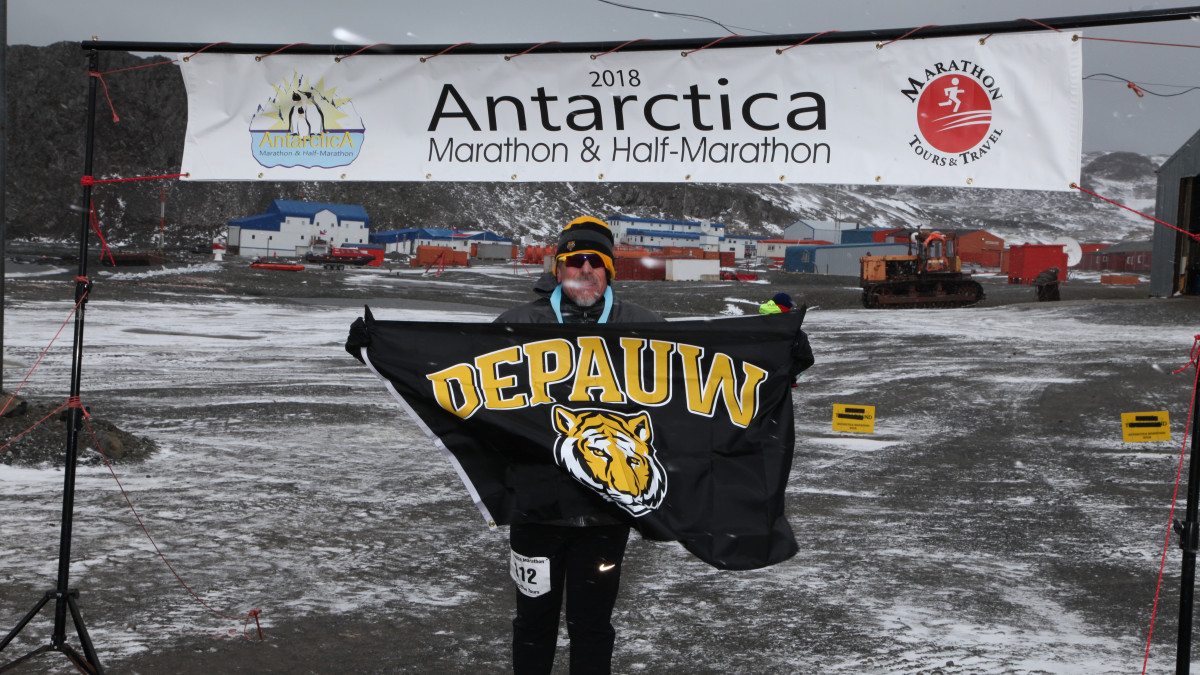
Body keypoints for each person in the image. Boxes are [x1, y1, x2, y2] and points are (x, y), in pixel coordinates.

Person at [494, 216, 663, 675]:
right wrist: (380, 350)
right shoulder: (516, 324)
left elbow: (706, 383)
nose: (584, 269)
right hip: (534, 510)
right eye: (574, 260)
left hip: (606, 516)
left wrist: (784, 359)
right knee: (533, 622)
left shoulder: (645, 326)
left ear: (609, 270)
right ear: (558, 267)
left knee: (592, 624)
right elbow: (451, 388)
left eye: (596, 261)